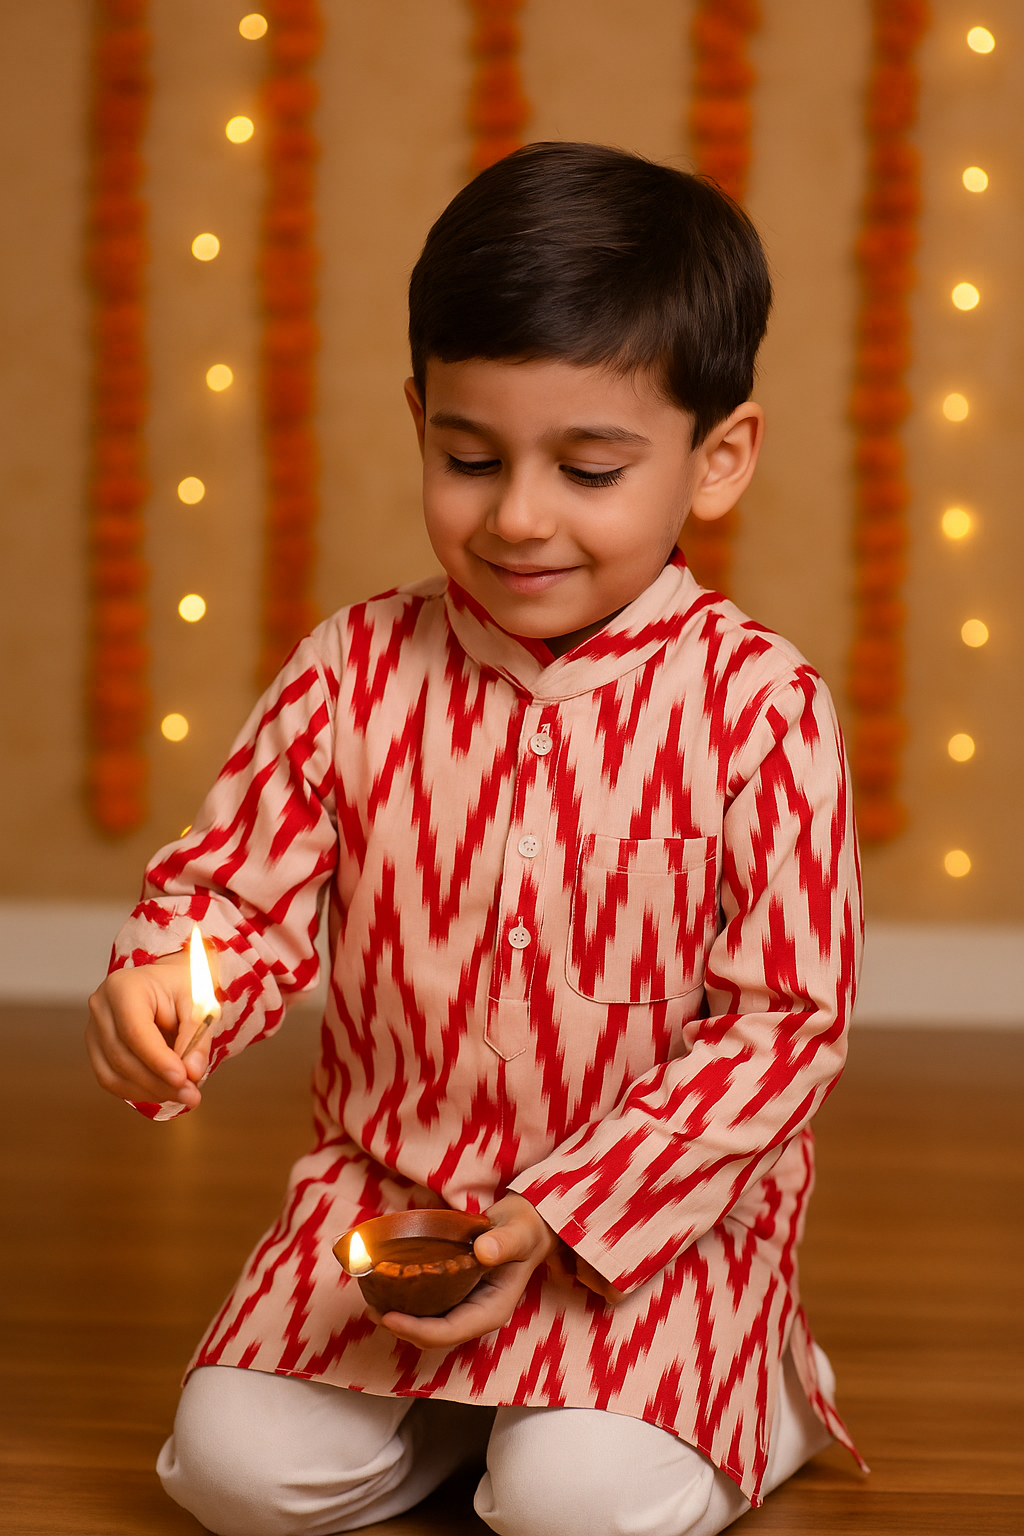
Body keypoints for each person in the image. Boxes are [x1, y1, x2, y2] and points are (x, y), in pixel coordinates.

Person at [86, 141, 865, 1536]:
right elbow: (232, 905)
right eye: (467, 456)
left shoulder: (760, 707)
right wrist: (165, 988)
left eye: (588, 467)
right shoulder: (354, 666)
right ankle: (468, 1419)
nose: (516, 517)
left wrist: (565, 1219)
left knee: (572, 1509)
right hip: (391, 1212)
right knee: (230, 1473)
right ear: (419, 419)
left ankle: (753, 1394)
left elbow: (785, 1026)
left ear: (717, 458)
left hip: (648, 1232)